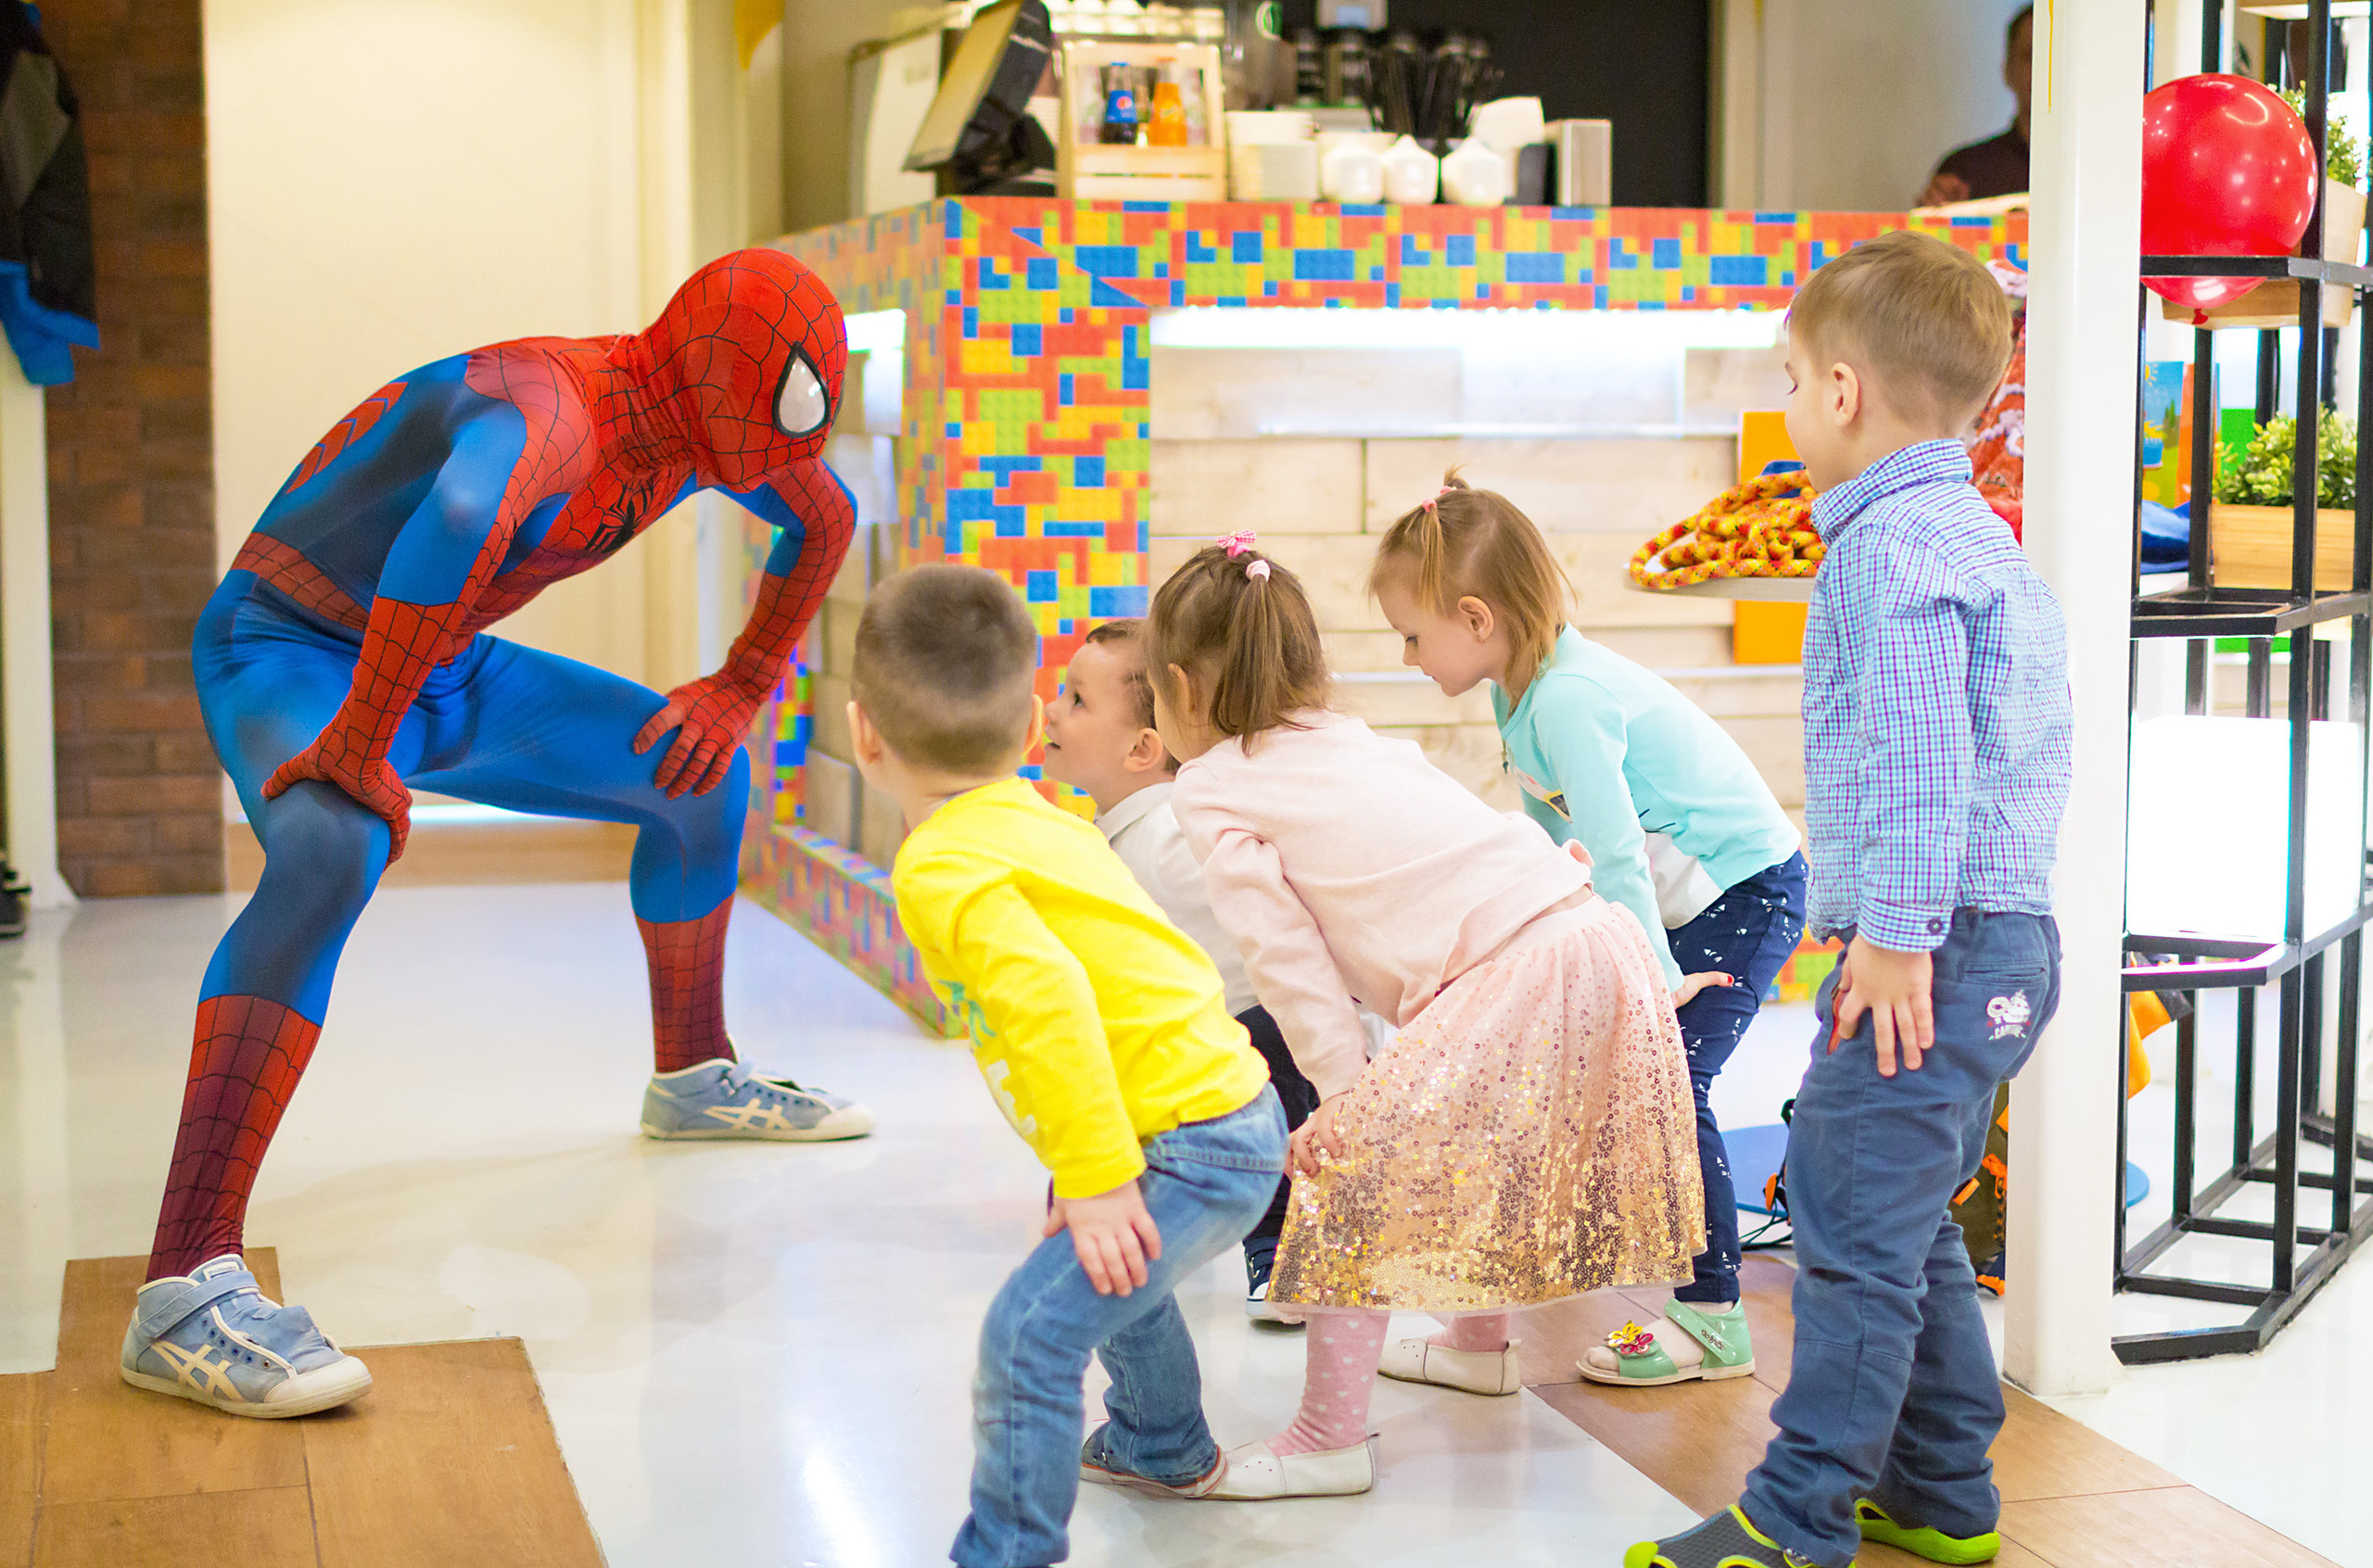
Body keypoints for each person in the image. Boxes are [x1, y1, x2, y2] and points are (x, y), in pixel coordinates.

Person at [122, 249, 876, 1423]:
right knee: (331, 850)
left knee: (699, 773)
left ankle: (692, 1073)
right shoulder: (552, 408)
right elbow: (460, 516)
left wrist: (739, 685)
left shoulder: (694, 421)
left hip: (443, 659)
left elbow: (825, 516)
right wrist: (363, 740)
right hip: (284, 642)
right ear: (704, 380)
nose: (762, 477)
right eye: (751, 451)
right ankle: (181, 1288)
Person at [1628, 231, 2071, 1568]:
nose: (1781, 400)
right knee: (1889, 1205)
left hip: (1935, 943)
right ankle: (1939, 1493)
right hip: (1986, 939)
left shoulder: (1890, 551)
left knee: (1852, 1226)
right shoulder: (1964, 534)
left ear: (1840, 393)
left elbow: (1927, 759)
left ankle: (1796, 1517)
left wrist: (1895, 939)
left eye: (1785, 374)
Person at [1148, 537, 1704, 1501]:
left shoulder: (1211, 784)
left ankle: (1326, 1439)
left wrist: (1341, 1098)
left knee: (1344, 1174)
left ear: (1182, 687)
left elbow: (1290, 964)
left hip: (1517, 969)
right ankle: (1480, 1345)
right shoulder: (1347, 736)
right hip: (1587, 938)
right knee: (1477, 1153)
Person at [849, 564, 1286, 1566]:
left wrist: (1096, 1179)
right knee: (1106, 1261)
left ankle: (1005, 1552)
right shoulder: (1039, 819)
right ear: (1032, 719)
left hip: (1194, 1139)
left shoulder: (942, 861)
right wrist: (1091, 1177)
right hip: (1210, 1110)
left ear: (863, 731)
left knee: (1027, 1335)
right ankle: (1158, 1439)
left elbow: (1049, 999)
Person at [1368, 477, 1807, 1388]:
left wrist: (1645, 978)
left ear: (1476, 618)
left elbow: (1613, 853)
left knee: (1670, 1082)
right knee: (1608, 1071)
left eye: (1412, 634)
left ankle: (1714, 1319)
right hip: (1685, 900)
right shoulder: (1515, 695)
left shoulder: (1567, 695)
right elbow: (1555, 849)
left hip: (1749, 889)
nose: (1407, 655)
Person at [1041, 617, 1321, 1324]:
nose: (1050, 709)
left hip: (1268, 1023)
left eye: (1075, 700)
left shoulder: (1174, 832)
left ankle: (1281, 1251)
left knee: (1267, 1079)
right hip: (1201, 1030)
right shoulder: (1123, 832)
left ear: (1142, 748)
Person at [1919, 6, 2034, 206]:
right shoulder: (1964, 171)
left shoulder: (2099, 167)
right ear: (2008, 69)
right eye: (2031, 56)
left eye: (2056, 58)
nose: (2045, 71)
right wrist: (1933, 217)